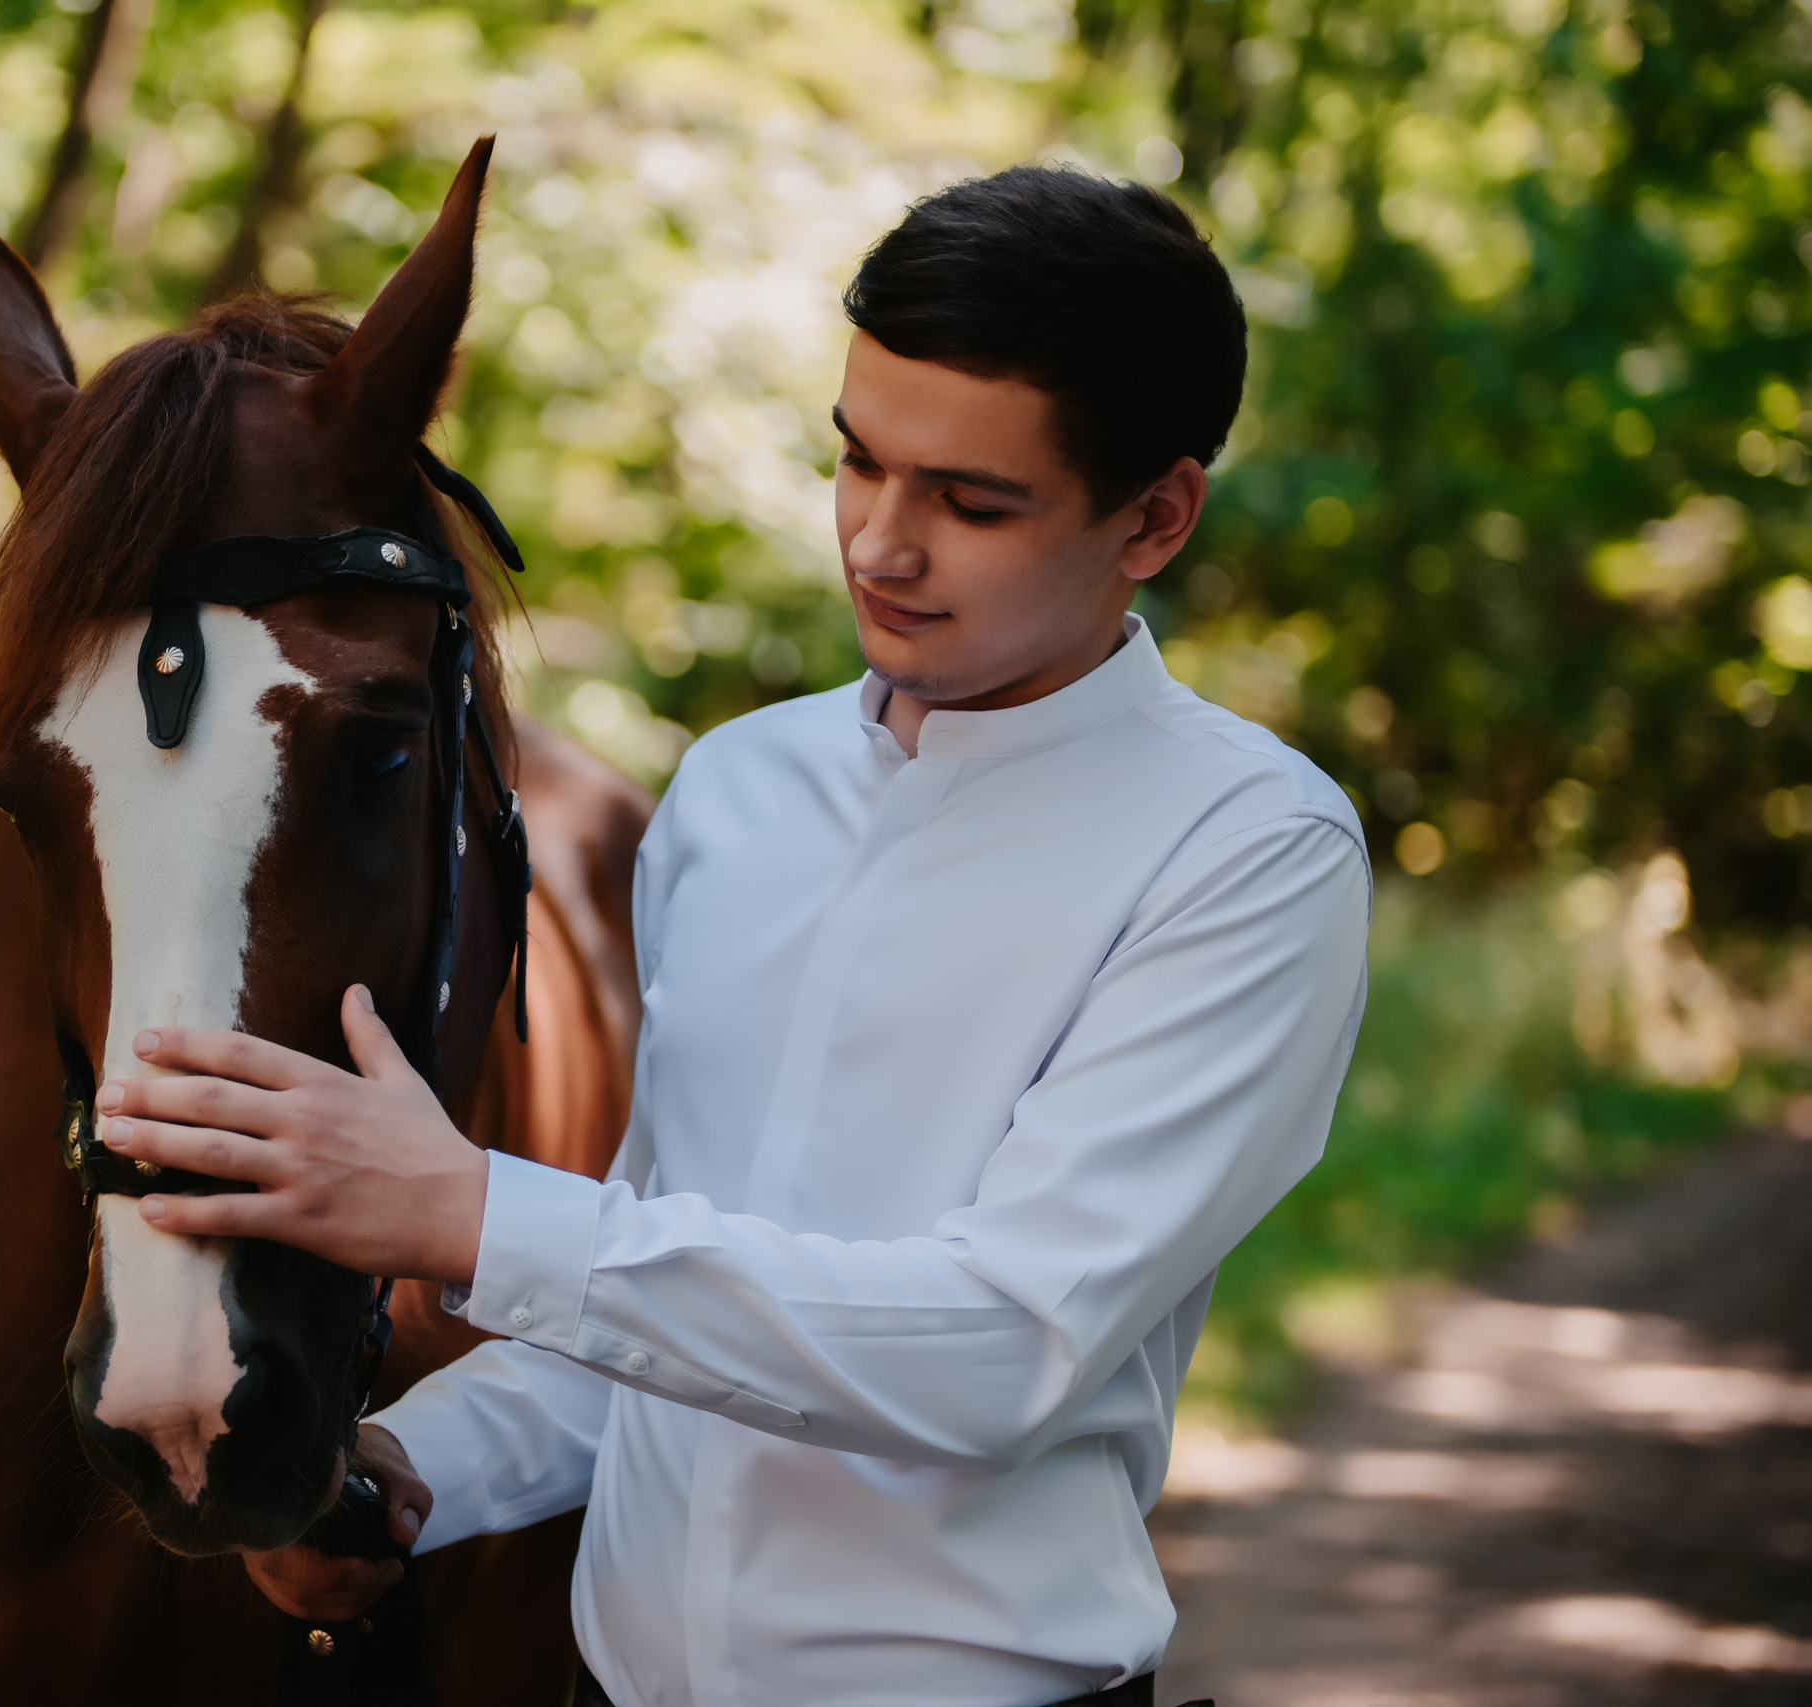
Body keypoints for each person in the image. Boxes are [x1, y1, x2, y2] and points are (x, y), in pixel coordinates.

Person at [93, 165, 1371, 1707]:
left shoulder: (1246, 850)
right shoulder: (735, 792)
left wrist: (473, 1215)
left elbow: (1002, 1347)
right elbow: (648, 1312)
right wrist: (411, 1467)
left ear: (1156, 515)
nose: (880, 546)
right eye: (859, 463)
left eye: (969, 501)